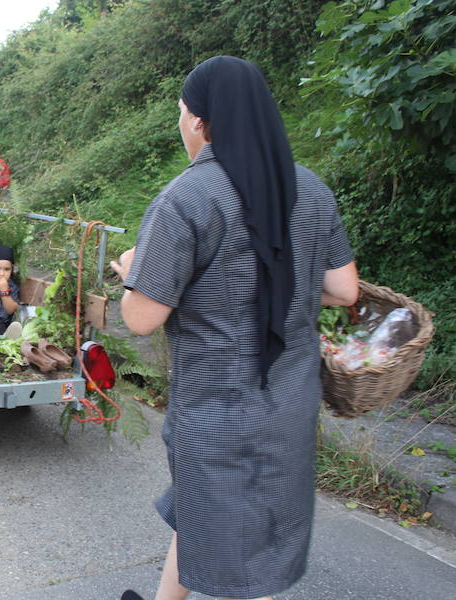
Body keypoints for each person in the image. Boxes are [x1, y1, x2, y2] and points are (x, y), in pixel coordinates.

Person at [110, 56, 359, 600]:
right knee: (215, 507)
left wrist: (134, 274)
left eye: (181, 114)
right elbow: (344, 290)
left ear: (200, 121)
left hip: (218, 407)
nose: (181, 125)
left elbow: (142, 317)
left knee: (246, 559)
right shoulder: (310, 189)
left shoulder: (189, 196)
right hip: (288, 399)